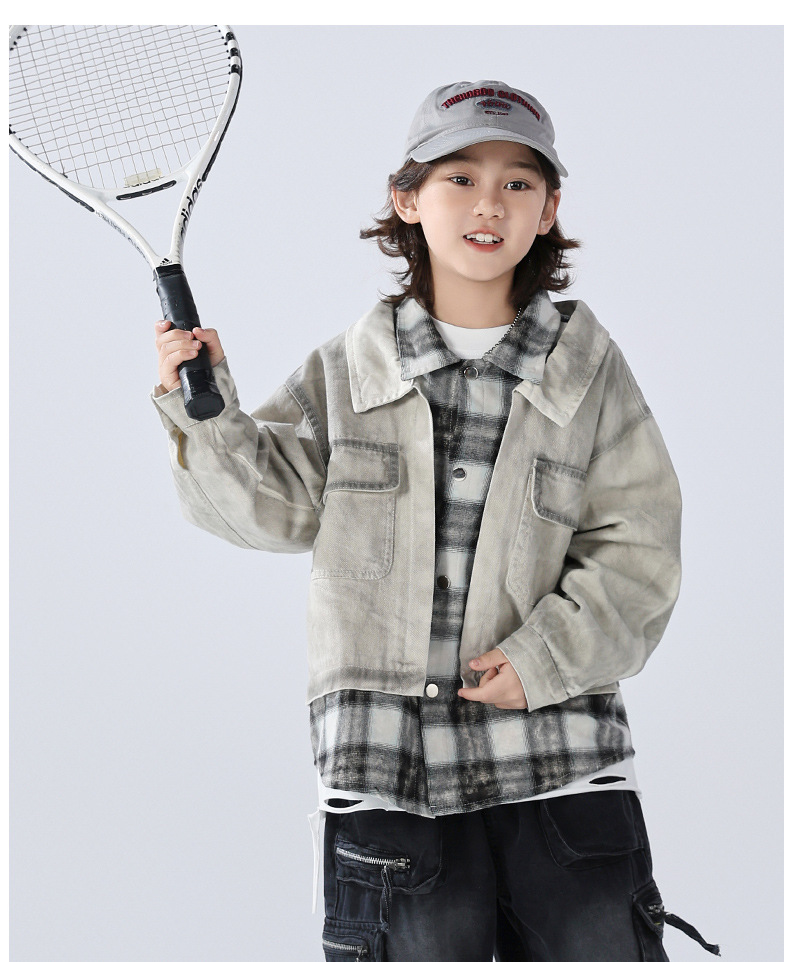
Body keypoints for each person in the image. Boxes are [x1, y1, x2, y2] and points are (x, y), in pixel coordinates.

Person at [152, 80, 720, 961]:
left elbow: (640, 549)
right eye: (460, 177)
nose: (489, 203)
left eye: (518, 182)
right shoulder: (346, 373)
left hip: (562, 770)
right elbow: (268, 514)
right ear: (407, 199)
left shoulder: (589, 373)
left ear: (548, 211)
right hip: (389, 779)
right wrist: (206, 411)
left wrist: (543, 659)